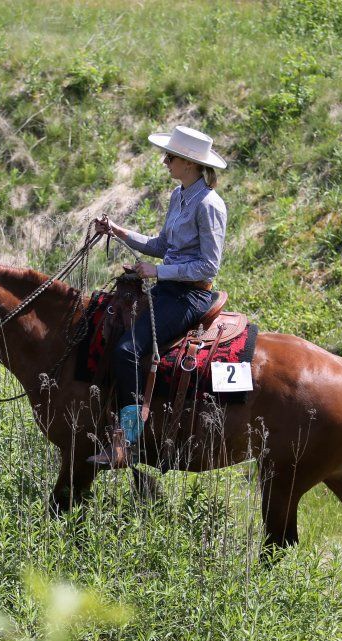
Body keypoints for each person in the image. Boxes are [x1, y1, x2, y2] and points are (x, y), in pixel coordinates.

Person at [88, 125, 228, 469]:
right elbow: (162, 245)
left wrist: (156, 272)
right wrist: (119, 231)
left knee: (128, 351)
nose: (165, 161)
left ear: (191, 164)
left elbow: (208, 265)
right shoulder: (179, 196)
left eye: (172, 157)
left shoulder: (209, 205)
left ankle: (128, 441)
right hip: (168, 289)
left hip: (189, 296)